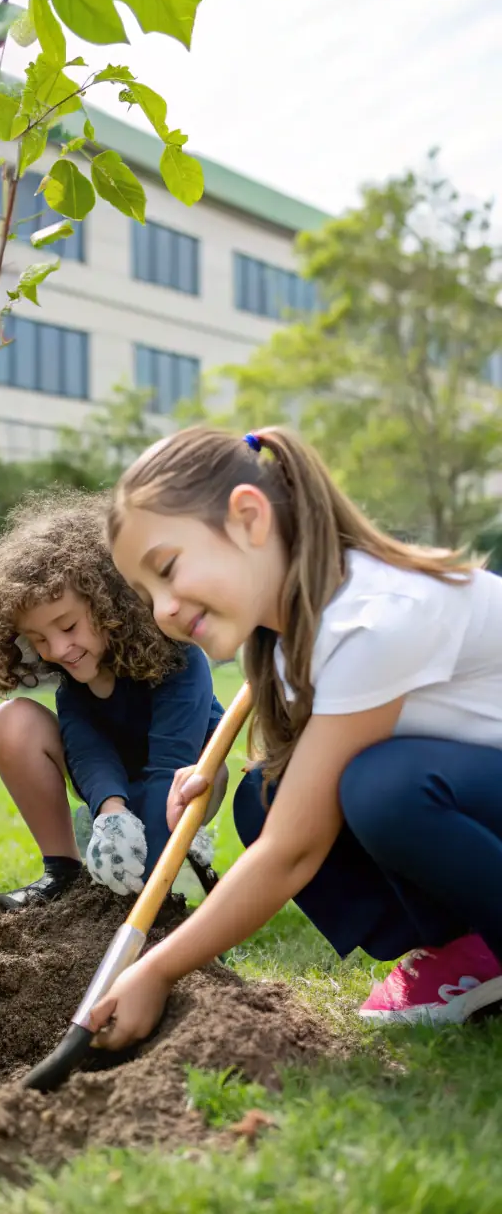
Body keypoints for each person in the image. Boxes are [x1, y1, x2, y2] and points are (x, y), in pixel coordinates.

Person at [93, 424, 502, 1047]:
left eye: (168, 570)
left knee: (382, 791)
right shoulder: (293, 637)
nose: (163, 610)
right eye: (148, 594)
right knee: (265, 793)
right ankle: (467, 951)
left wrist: (157, 967)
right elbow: (314, 761)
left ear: (250, 518)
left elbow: (294, 850)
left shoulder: (372, 620)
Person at [0, 490, 225, 912]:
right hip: (117, 788)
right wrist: (110, 811)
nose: (58, 649)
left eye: (68, 626)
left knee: (191, 786)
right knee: (9, 722)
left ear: (109, 600)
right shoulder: (74, 685)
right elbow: (88, 753)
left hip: (185, 783)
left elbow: (168, 767)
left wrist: (145, 895)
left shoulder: (180, 659)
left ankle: (182, 864)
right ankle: (64, 875)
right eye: (39, 640)